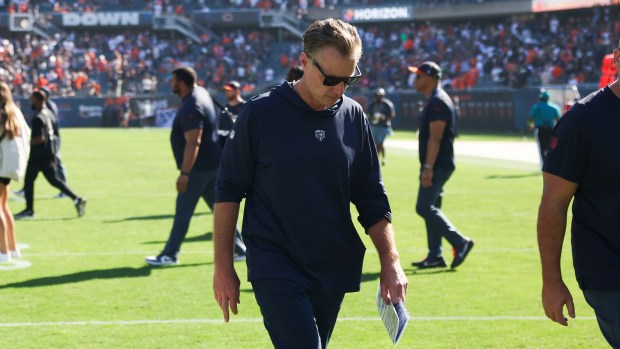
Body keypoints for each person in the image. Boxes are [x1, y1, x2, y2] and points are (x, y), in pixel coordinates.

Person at [213, 18, 408, 349]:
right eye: (331, 78)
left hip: (332, 264)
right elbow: (229, 192)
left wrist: (391, 262)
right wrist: (223, 267)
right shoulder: (260, 114)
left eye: (349, 79)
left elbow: (371, 197)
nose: (339, 89)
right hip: (275, 263)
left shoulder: (354, 116)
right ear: (304, 61)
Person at [537, 41, 620, 347]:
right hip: (609, 271)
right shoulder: (584, 119)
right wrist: (551, 280)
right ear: (618, 59)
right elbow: (553, 204)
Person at [145, 67, 222, 266]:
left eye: (173, 81)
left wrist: (185, 173)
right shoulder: (201, 93)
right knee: (219, 210)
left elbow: (193, 141)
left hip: (198, 168)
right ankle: (239, 249)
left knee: (183, 210)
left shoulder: (192, 104)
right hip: (212, 163)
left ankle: (170, 254)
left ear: (181, 82)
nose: (171, 84)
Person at [409, 61, 474, 269]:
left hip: (437, 163)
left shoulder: (438, 102)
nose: (415, 79)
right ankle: (435, 255)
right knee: (433, 207)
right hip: (438, 162)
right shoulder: (434, 100)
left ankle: (460, 241)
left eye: (419, 76)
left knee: (424, 207)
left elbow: (435, 138)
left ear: (430, 78)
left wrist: (428, 168)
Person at [14, 91, 86, 220]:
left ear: (39, 100)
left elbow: (40, 138)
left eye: (33, 100)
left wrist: (25, 142)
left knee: (29, 181)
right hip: (49, 153)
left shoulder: (38, 117)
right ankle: (77, 198)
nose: (31, 102)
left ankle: (29, 210)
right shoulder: (49, 114)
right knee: (54, 180)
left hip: (38, 155)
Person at [14, 86, 69, 199]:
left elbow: (48, 127)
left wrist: (29, 142)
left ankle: (66, 190)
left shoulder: (47, 108)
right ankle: (25, 191)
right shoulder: (47, 107)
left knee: (56, 166)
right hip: (47, 143)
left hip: (50, 141)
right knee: (36, 176)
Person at [0, 82, 29, 261]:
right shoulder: (15, 111)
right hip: (10, 166)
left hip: (0, 163)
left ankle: (3, 252)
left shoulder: (2, 114)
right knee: (4, 206)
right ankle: (12, 247)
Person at [219, 80, 247, 261]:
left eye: (230, 90)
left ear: (237, 90)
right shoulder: (223, 112)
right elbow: (221, 135)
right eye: (226, 90)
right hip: (228, 159)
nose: (227, 93)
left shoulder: (247, 107)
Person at [529, 91, 561, 167]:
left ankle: (544, 165)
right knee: (550, 147)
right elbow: (559, 120)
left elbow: (530, 118)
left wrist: (530, 125)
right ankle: (551, 164)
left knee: (542, 147)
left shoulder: (536, 107)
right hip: (551, 129)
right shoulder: (554, 107)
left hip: (540, 129)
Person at [367, 87, 395, 166]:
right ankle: (377, 159)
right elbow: (369, 114)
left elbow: (391, 114)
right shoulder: (372, 104)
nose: (378, 97)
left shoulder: (387, 104)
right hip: (374, 125)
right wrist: (372, 117)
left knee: (380, 143)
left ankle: (381, 158)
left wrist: (384, 118)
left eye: (380, 95)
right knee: (374, 143)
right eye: (377, 95)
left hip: (383, 126)